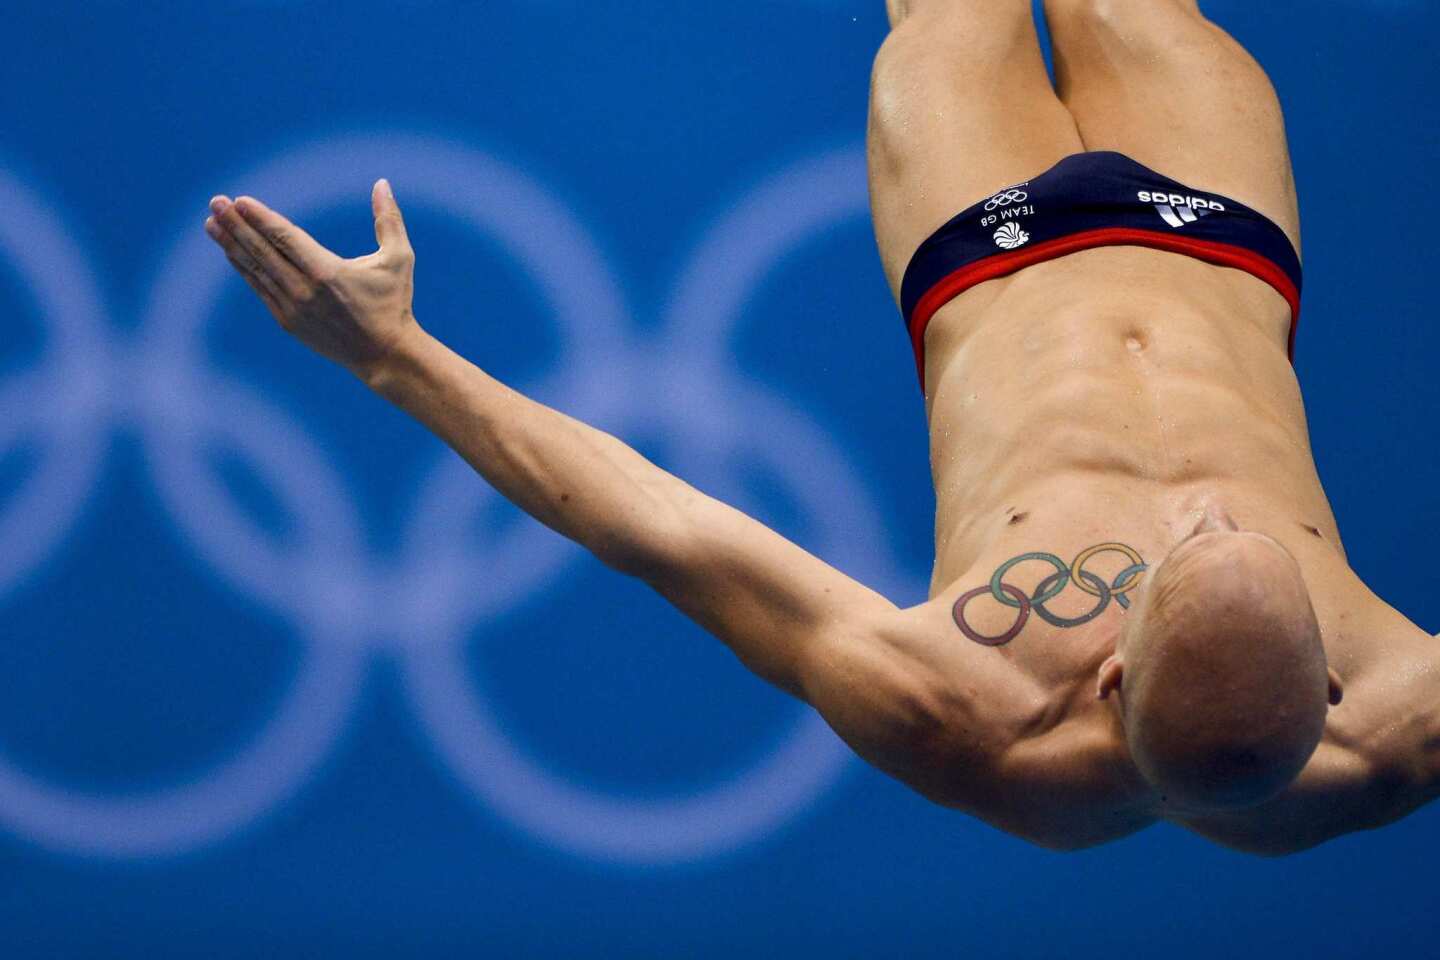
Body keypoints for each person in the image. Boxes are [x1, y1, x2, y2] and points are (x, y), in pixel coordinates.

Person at [201, 0, 1438, 854]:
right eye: (1244, 531)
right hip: (1222, 241)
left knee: (954, 18)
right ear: (1332, 680)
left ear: (1111, 667)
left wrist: (392, 356)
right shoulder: (1401, 718)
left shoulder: (964, 708)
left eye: (1187, 551)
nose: (1205, 510)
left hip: (984, 255)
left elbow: (663, 530)